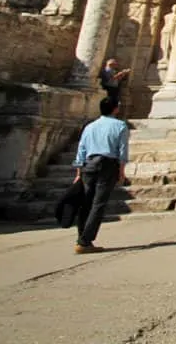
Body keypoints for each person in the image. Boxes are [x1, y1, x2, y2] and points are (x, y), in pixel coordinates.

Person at [72, 97, 130, 254]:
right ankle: (85, 241)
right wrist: (121, 171)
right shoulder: (120, 126)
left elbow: (81, 149)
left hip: (88, 165)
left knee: (86, 203)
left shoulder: (90, 126)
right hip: (108, 165)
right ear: (115, 109)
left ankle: (82, 238)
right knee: (98, 204)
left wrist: (78, 171)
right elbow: (122, 151)